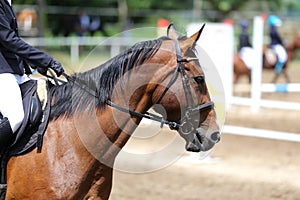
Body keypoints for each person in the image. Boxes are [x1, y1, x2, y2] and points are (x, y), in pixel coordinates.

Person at [0, 0, 64, 150]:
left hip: (15, 71)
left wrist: (33, 64)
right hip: (2, 73)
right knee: (15, 117)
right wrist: (45, 60)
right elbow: (8, 40)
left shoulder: (6, 2)